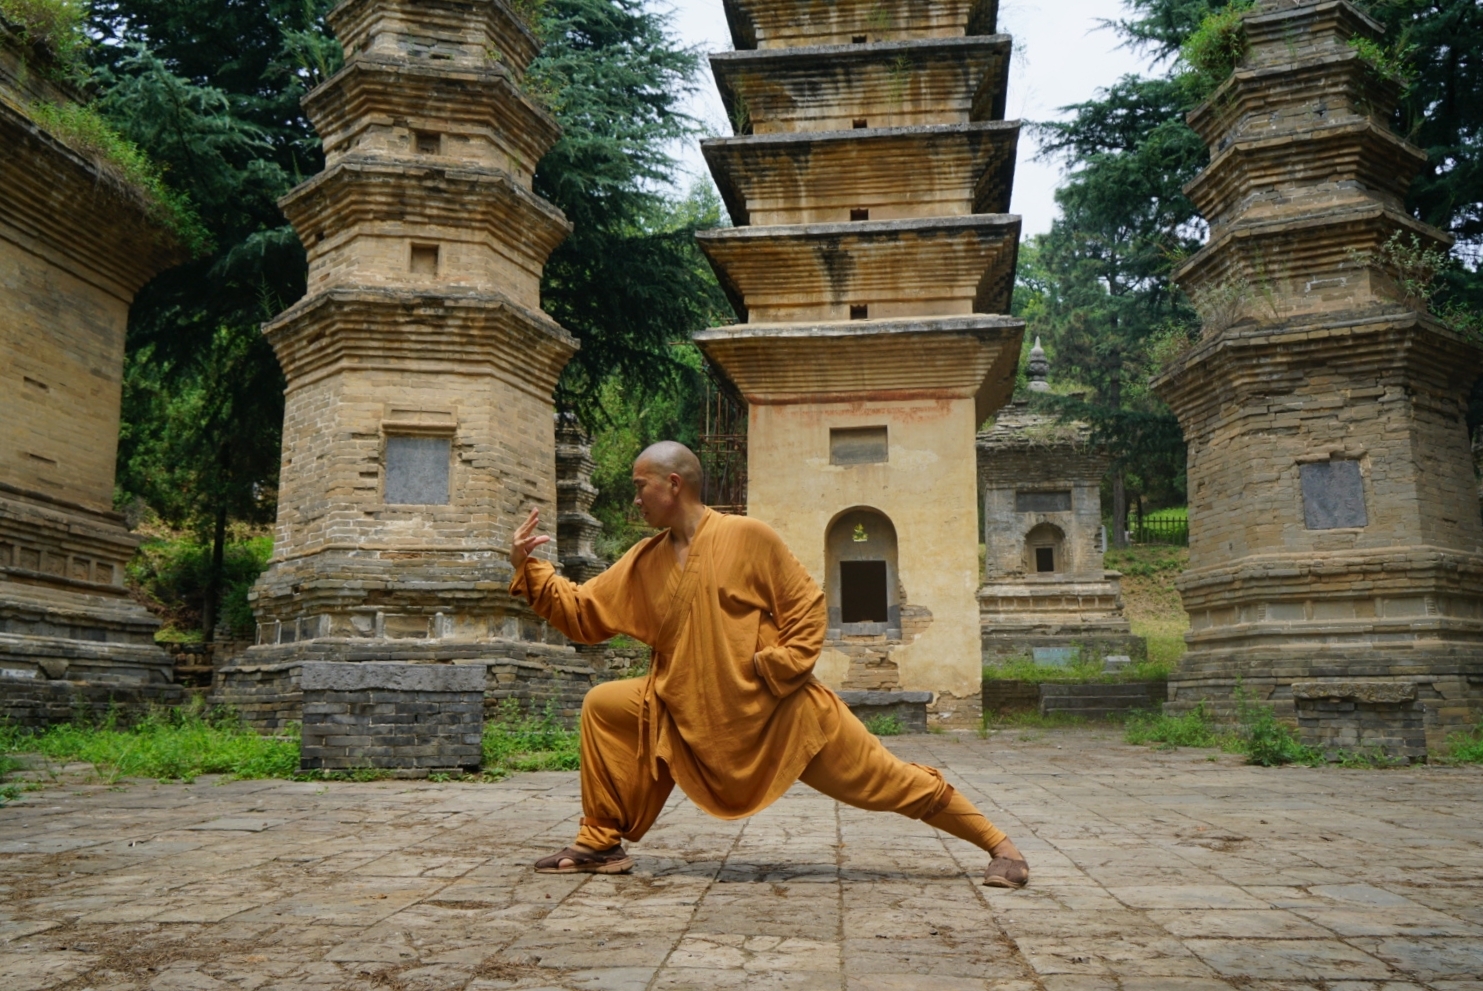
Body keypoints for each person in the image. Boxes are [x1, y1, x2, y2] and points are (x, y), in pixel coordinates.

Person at [509, 441, 1030, 888]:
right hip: (684, 705)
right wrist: (528, 567)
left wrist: (774, 668)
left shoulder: (749, 537)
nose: (636, 497)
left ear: (673, 485)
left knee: (884, 779)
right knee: (604, 704)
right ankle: (600, 842)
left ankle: (1001, 847)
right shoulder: (645, 560)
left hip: (778, 712)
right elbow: (583, 611)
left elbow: (805, 607)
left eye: (640, 485)